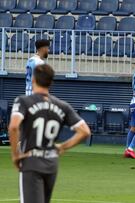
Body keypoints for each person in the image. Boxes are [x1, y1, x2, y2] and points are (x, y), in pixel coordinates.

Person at [8, 64, 91, 203]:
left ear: (33, 79)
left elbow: (14, 127)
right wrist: (62, 147)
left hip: (31, 161)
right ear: (51, 82)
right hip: (51, 163)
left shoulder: (23, 101)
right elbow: (85, 132)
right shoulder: (62, 105)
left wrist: (16, 155)